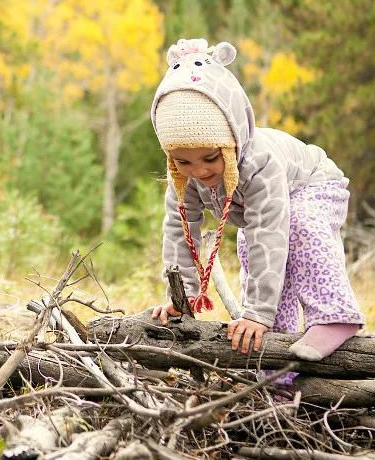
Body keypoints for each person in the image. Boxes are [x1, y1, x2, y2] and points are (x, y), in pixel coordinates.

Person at [149, 38, 363, 362]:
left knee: (295, 227)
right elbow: (180, 231)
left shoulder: (259, 164)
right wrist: (182, 297)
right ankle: (277, 361)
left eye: (210, 158)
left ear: (232, 142)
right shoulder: (184, 180)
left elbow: (269, 229)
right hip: (269, 211)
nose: (199, 171)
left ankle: (335, 316)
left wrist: (255, 313)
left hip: (314, 184)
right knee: (252, 249)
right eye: (184, 162)